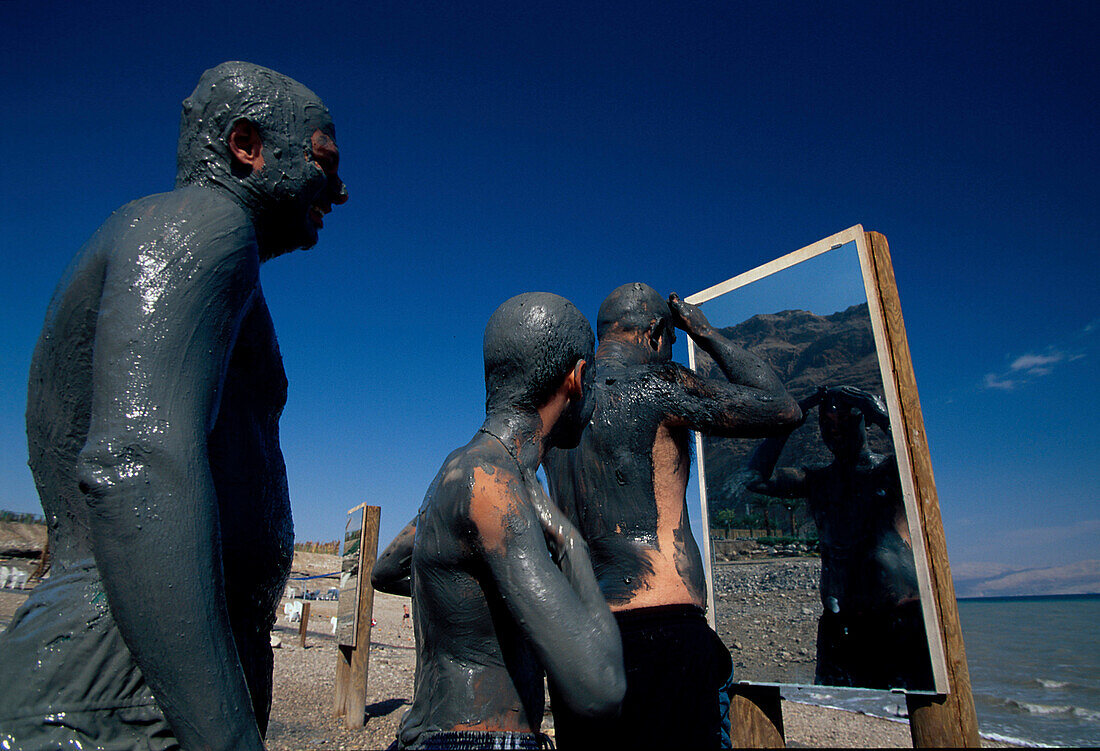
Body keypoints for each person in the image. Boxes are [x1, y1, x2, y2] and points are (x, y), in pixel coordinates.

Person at [0, 61, 347, 750]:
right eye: (321, 159)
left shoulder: (202, 247)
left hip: (127, 689)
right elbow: (137, 465)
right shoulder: (203, 225)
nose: (339, 189)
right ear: (247, 146)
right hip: (109, 699)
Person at [543, 283, 801, 749]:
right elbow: (782, 407)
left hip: (578, 637)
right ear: (657, 333)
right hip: (662, 630)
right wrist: (704, 332)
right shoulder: (661, 385)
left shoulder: (562, 405)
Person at [395, 292, 626, 750]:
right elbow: (601, 687)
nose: (597, 396)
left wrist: (475, 591)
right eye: (596, 380)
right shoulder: (494, 486)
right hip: (476, 740)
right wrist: (569, 542)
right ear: (577, 379)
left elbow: (389, 568)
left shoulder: (461, 468)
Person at [744, 385, 934, 689]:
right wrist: (793, 417)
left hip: (899, 618)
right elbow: (753, 478)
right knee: (847, 707)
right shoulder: (818, 482)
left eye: (845, 421)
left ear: (864, 421)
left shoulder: (888, 472)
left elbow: (919, 460)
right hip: (841, 623)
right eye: (826, 425)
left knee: (918, 700)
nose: (835, 431)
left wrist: (879, 411)